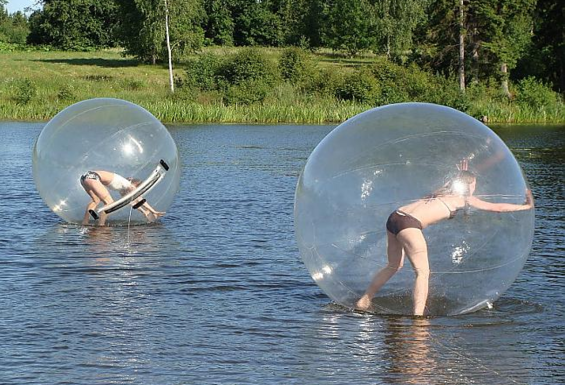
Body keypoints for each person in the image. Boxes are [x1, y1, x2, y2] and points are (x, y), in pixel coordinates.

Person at [355, 169, 534, 316]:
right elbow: (497, 208)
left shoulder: (440, 193)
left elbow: (446, 188)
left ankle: (364, 300)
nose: (474, 189)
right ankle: (418, 317)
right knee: (423, 272)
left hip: (395, 217)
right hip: (409, 224)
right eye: (473, 185)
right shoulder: (464, 199)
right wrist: (525, 206)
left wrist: (463, 173)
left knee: (394, 265)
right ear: (469, 185)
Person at [80, 170, 165, 226]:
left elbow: (130, 202)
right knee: (109, 203)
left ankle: (85, 222)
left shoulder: (122, 187)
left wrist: (144, 212)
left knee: (96, 200)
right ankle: (101, 225)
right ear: (135, 185)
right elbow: (139, 199)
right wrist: (153, 211)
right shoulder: (129, 185)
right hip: (93, 178)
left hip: (85, 177)